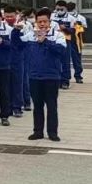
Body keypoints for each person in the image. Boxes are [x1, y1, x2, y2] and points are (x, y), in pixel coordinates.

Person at [23, 8, 67, 142]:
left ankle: (52, 132)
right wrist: (16, 31)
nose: (42, 24)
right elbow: (17, 45)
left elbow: (61, 51)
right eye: (39, 22)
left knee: (52, 106)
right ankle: (38, 131)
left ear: (49, 22)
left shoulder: (57, 35)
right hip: (34, 76)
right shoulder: (30, 35)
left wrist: (45, 41)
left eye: (45, 21)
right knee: (37, 106)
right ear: (36, 22)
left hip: (51, 76)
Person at [4, 7, 27, 118]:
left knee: (18, 83)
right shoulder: (2, 26)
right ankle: (7, 107)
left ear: (16, 15)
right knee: (6, 84)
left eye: (11, 16)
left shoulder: (23, 26)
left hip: (18, 57)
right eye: (7, 16)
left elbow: (24, 43)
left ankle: (17, 107)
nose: (9, 18)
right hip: (5, 58)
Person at [51, 1, 75, 89]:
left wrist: (65, 29)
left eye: (61, 9)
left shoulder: (71, 18)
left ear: (66, 9)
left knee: (65, 62)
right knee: (55, 61)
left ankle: (65, 81)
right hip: (54, 41)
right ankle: (56, 80)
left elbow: (73, 31)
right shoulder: (52, 17)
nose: (59, 11)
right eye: (58, 9)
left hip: (66, 41)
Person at [66, 2, 87, 84]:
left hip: (76, 40)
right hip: (66, 39)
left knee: (76, 59)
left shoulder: (79, 17)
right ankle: (70, 77)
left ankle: (78, 76)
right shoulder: (66, 17)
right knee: (67, 59)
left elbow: (83, 29)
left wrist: (78, 26)